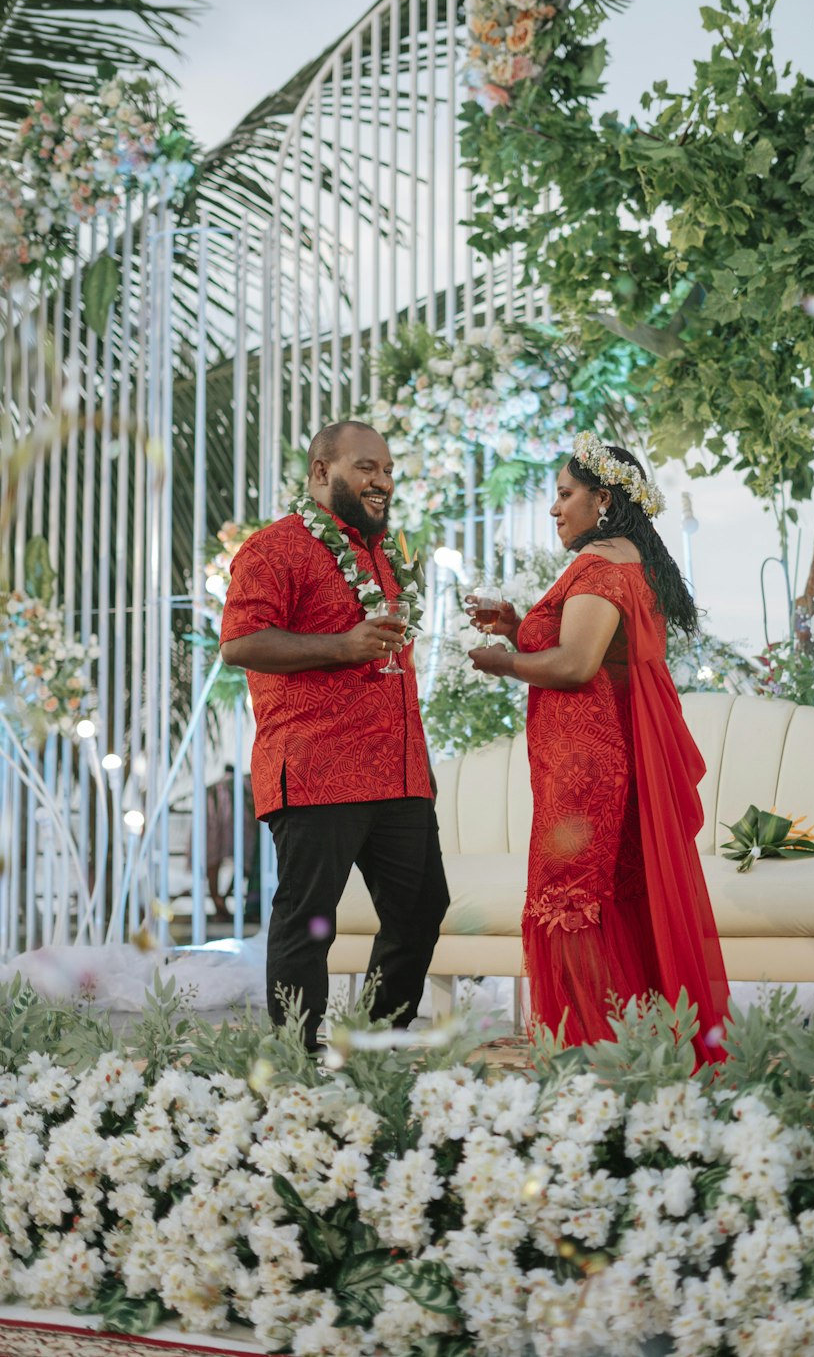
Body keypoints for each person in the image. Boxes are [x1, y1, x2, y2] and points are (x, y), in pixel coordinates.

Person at [468, 433, 729, 1067]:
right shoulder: (629, 558)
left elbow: (578, 663)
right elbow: (596, 650)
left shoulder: (598, 566)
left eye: (564, 495)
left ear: (603, 499)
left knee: (568, 902)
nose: (555, 510)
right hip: (601, 760)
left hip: (583, 769)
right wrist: (516, 624)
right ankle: (630, 1051)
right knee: (600, 900)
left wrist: (504, 663)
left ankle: (585, 1057)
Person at [220, 420, 449, 1050]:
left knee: (421, 909)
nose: (383, 482)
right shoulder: (274, 550)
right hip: (317, 767)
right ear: (322, 471)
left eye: (388, 471)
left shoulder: (384, 553)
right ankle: (296, 1062)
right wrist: (342, 645)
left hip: (399, 773)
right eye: (367, 469)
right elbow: (241, 643)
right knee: (309, 923)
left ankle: (372, 1047)